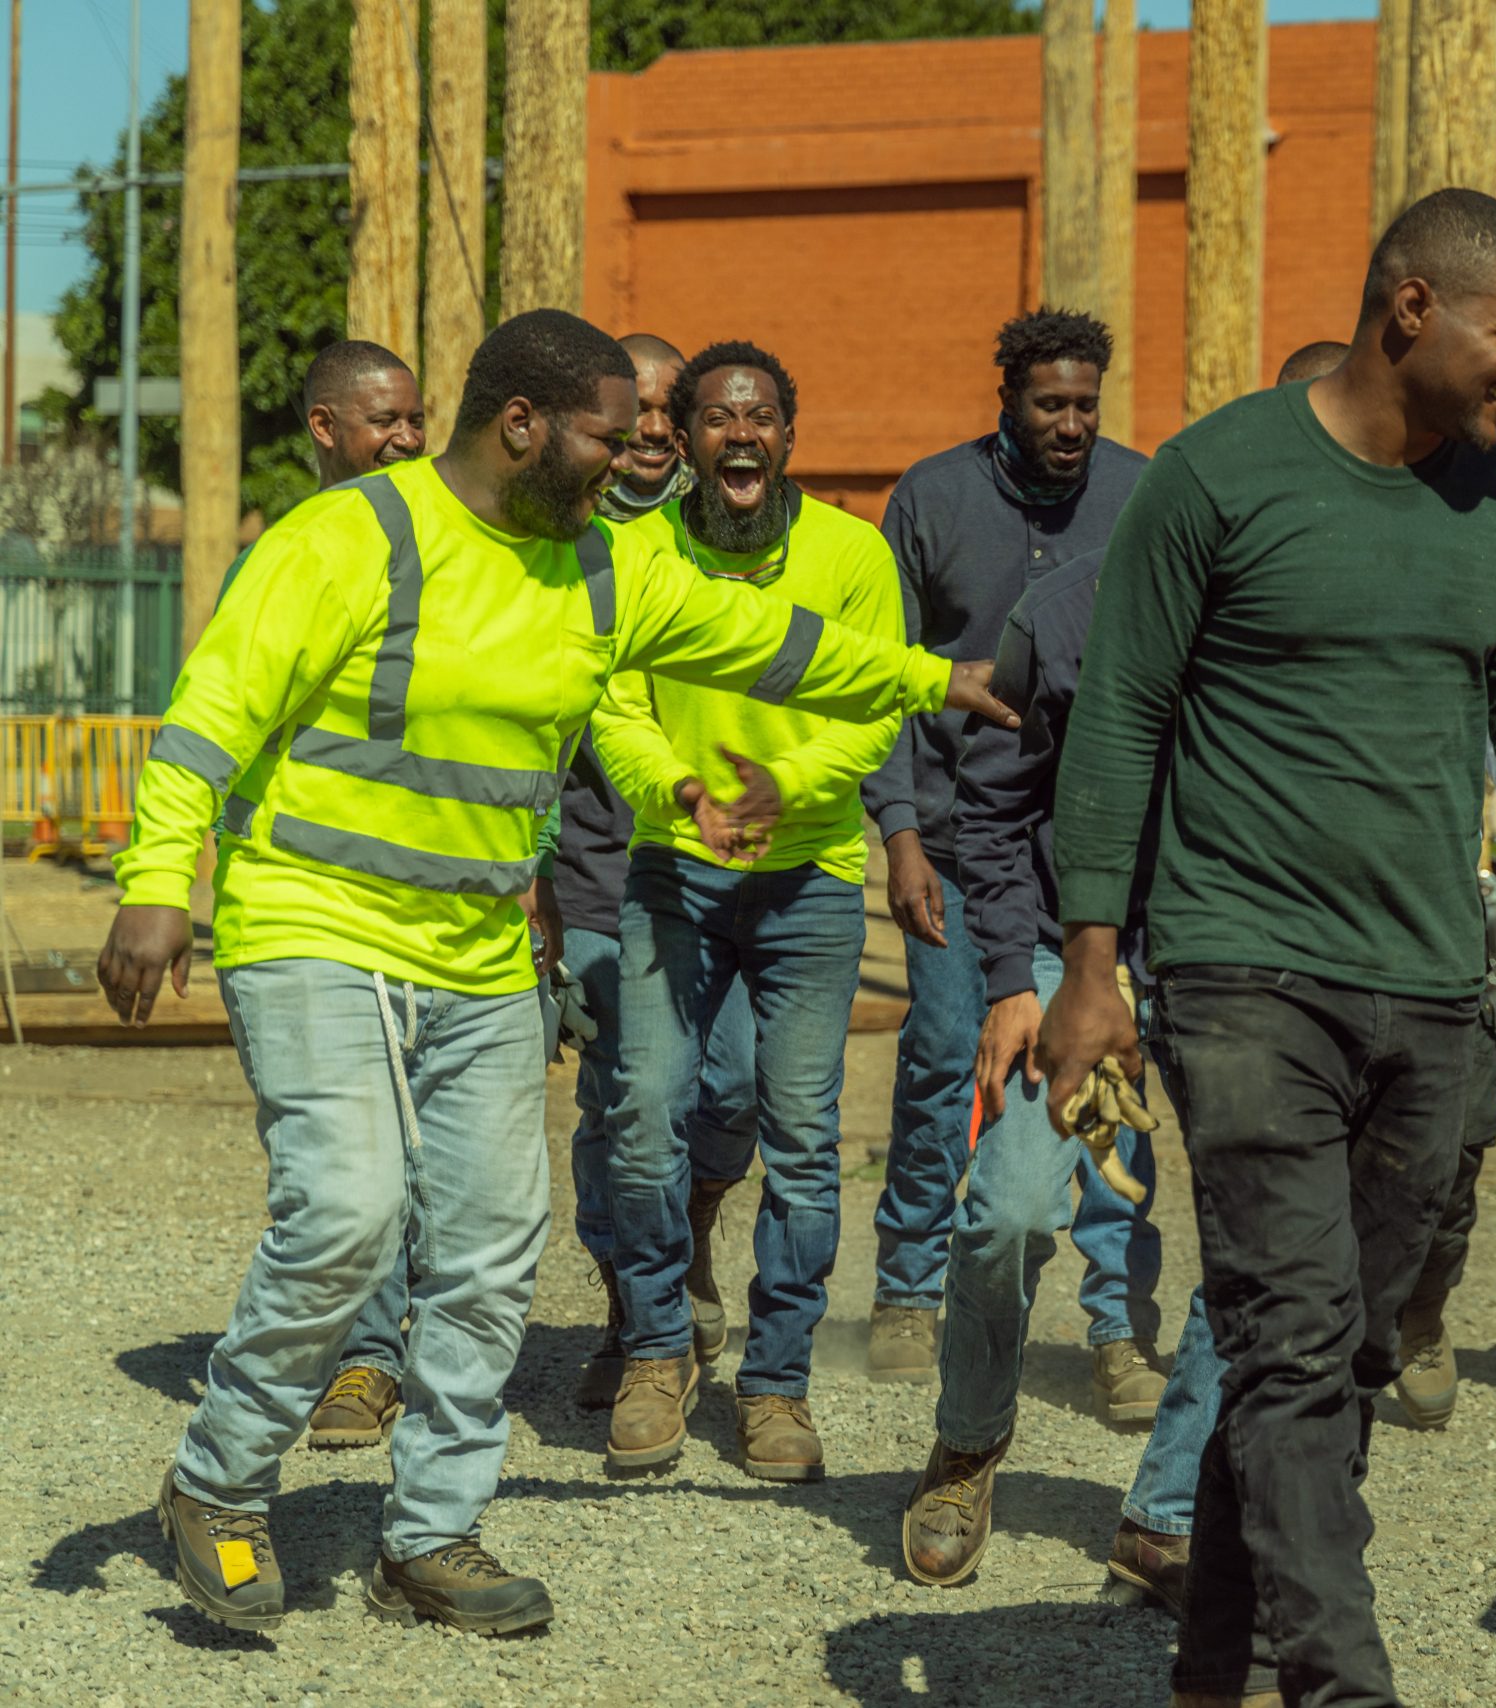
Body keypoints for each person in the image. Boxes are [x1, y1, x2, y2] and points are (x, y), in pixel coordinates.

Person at [99, 308, 1008, 1639]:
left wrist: (936, 676)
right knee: (348, 1211)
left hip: (474, 954)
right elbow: (210, 717)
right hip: (314, 924)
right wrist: (151, 887)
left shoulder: (600, 567)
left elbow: (769, 641)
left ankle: (430, 1533)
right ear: (520, 424)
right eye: (611, 433)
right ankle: (220, 1483)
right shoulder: (356, 537)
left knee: (487, 1251)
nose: (636, 461)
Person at [1038, 188, 1496, 1708]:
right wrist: (1089, 965)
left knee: (1345, 1351)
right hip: (1242, 967)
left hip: (1429, 983)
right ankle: (1339, 1679)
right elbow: (1121, 715)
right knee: (1297, 1332)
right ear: (1410, 309)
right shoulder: (1216, 479)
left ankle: (1218, 1657)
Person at [1254, 337, 1496, 1438]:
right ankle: (1305, 1370)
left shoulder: (1455, 549)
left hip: (1438, 937)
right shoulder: (1256, 561)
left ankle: (1419, 1311)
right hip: (1285, 941)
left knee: (1454, 1143)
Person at [595, 339, 902, 1482]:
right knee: (648, 1111)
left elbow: (876, 702)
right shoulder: (634, 555)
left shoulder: (852, 554)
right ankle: (657, 1352)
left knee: (805, 1141)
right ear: (688, 435)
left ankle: (776, 1385)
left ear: (787, 436)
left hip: (810, 884)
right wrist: (675, 787)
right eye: (715, 416)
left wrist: (797, 785)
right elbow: (609, 704)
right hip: (672, 873)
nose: (737, 433)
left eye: (758, 416)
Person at [863, 310, 1161, 1414]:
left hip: (1102, 867)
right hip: (957, 836)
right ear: (1008, 399)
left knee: (1112, 1085)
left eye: (1086, 404)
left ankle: (1111, 1319)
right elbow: (886, 673)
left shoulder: (1141, 495)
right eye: (1050, 404)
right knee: (946, 1056)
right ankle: (905, 1280)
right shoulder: (932, 499)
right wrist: (897, 831)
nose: (1071, 424)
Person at [540, 332, 761, 1413]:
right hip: (591, 879)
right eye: (639, 410)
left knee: (731, 1087)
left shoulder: (713, 536)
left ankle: (694, 1230)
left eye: (675, 408)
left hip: (711, 873)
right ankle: (638, 1321)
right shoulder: (558, 537)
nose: (657, 428)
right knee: (626, 1106)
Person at [212, 340, 427, 1452]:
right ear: (325, 430)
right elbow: (216, 723)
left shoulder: (453, 552)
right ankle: (362, 1359)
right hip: (313, 911)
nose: (403, 435)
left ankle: (417, 1362)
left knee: (440, 1166)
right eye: (381, 418)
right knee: (357, 1173)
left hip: (444, 910)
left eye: (414, 416)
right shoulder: (285, 557)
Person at [597, 333, 693, 522]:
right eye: (638, 410)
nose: (657, 429)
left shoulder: (707, 510)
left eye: (671, 410)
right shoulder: (566, 511)